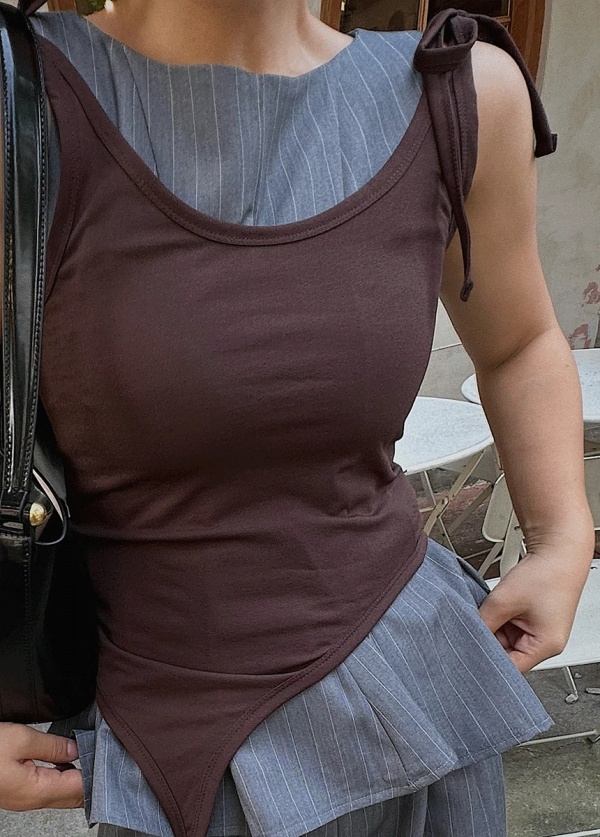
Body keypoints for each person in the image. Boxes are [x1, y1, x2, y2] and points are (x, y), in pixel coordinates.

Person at [0, 1, 594, 836]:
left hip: (416, 690)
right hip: (179, 747)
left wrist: (563, 537)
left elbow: (520, 340)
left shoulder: (461, 94)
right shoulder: (20, 96)